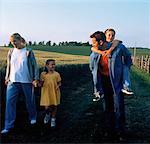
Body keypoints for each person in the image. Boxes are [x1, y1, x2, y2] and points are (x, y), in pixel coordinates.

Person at [89, 31, 132, 139]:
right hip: (104, 82)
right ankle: (109, 130)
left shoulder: (119, 48)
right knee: (107, 107)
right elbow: (92, 67)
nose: (92, 45)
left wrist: (125, 69)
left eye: (94, 43)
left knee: (119, 107)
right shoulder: (95, 52)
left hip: (116, 82)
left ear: (101, 42)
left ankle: (120, 132)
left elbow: (128, 57)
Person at [1, 33, 39, 134]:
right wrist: (7, 77)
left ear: (20, 40)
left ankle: (33, 117)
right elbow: (8, 65)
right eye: (11, 42)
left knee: (30, 101)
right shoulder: (11, 51)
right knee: (9, 103)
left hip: (27, 81)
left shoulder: (28, 51)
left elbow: (34, 66)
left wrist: (35, 79)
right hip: (12, 82)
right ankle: (8, 126)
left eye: (15, 42)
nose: (13, 44)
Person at [91, 29, 133, 102]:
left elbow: (126, 55)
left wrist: (126, 66)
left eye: (112, 35)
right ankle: (98, 94)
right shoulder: (97, 49)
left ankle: (126, 87)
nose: (110, 37)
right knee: (107, 98)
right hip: (104, 77)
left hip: (116, 76)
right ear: (105, 36)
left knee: (118, 98)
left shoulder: (118, 46)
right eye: (109, 35)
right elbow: (92, 64)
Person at [39, 59, 61, 127]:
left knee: (54, 106)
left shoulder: (56, 74)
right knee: (47, 107)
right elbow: (41, 84)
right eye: (52, 64)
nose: (53, 66)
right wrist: (37, 84)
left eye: (54, 64)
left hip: (54, 92)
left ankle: (53, 119)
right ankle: (47, 114)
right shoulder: (43, 74)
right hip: (46, 92)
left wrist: (58, 85)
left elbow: (59, 82)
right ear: (47, 66)